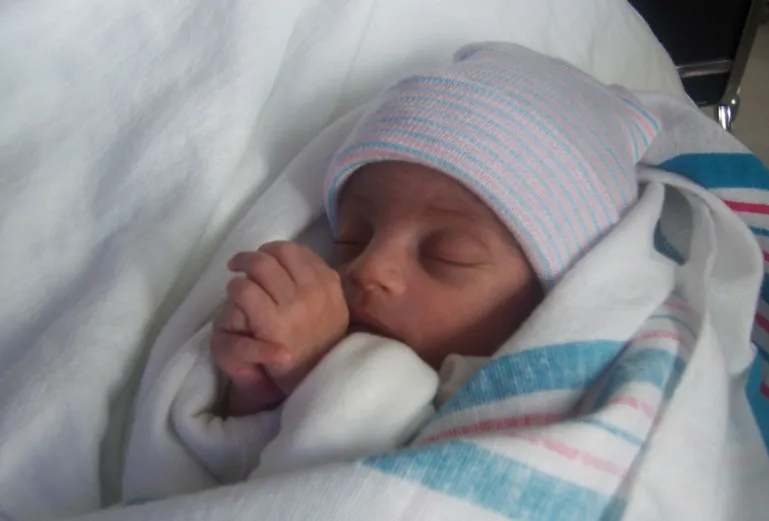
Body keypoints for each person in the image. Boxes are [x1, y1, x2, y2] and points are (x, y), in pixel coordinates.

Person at [193, 41, 658, 480]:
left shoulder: (537, 412)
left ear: (548, 300)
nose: (369, 268)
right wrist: (260, 396)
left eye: (446, 255)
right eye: (353, 239)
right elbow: (243, 492)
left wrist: (324, 372)